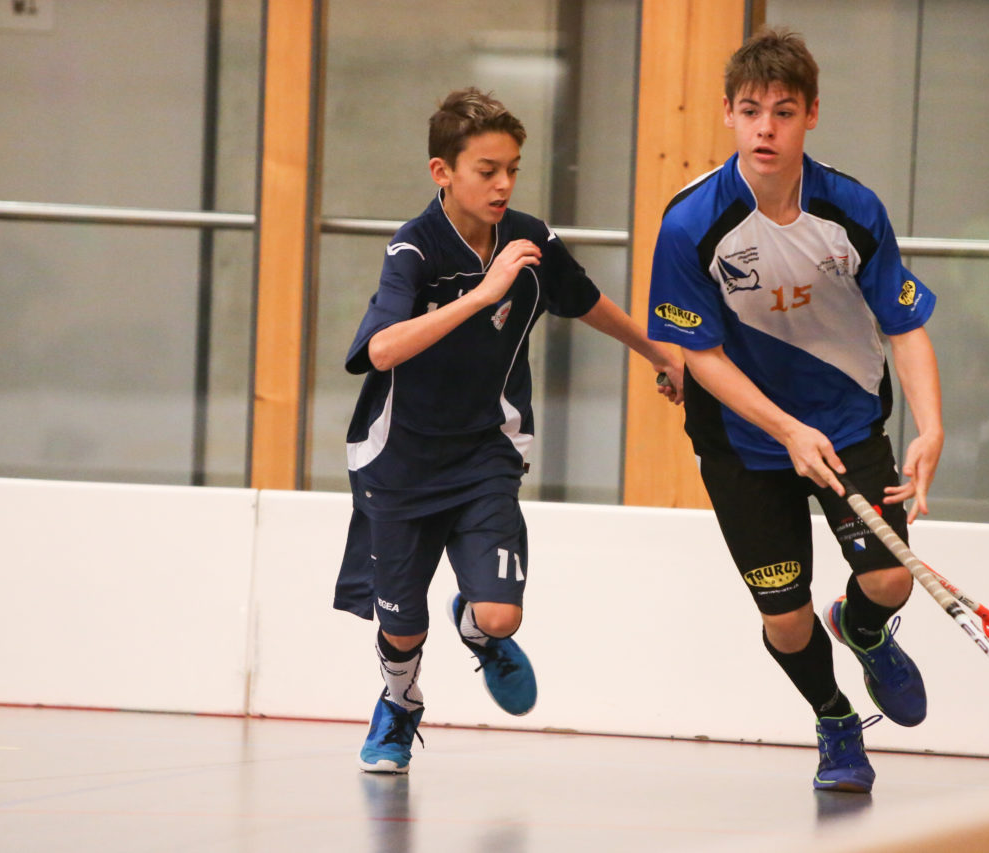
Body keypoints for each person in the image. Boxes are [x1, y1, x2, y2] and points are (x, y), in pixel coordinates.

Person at [334, 87, 684, 774]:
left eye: (513, 169)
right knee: (402, 627)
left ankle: (475, 625)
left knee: (500, 616)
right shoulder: (412, 249)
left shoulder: (529, 239)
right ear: (443, 172)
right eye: (487, 169)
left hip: (486, 454)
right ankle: (401, 702)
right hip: (398, 462)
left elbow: (586, 301)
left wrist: (659, 353)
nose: (503, 184)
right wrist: (483, 293)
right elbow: (379, 351)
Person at [646, 29, 943, 793]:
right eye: (751, 112)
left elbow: (904, 323)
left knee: (891, 580)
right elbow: (700, 355)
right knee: (784, 612)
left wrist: (932, 428)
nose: (766, 128)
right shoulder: (689, 225)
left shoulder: (854, 211)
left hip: (846, 425)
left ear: (811, 114)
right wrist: (783, 428)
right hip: (744, 443)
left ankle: (865, 628)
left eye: (783, 111)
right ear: (728, 116)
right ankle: (836, 721)